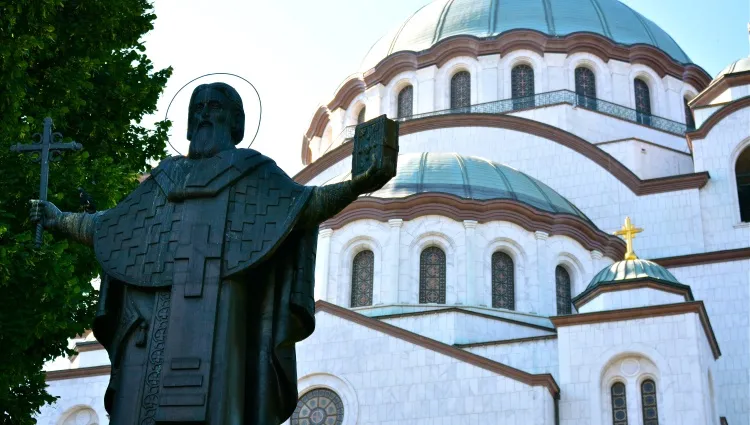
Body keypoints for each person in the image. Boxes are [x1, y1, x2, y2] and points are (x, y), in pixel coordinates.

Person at [30, 82, 395, 425]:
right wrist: (60, 220)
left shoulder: (254, 173)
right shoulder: (163, 178)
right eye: (198, 108)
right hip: (154, 315)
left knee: (223, 395)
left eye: (215, 107)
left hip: (226, 310)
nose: (204, 114)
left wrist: (357, 184)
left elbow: (303, 207)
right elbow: (112, 228)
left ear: (235, 122)